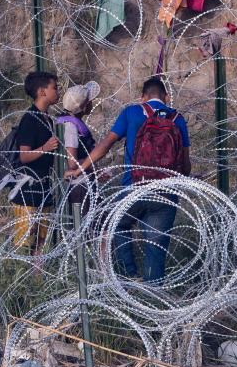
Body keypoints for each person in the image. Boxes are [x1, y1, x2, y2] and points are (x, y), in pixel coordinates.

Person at [68, 77, 191, 282]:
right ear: (166, 98)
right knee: (156, 249)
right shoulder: (178, 119)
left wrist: (81, 167)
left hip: (133, 188)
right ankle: (153, 297)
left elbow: (106, 145)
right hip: (165, 192)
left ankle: (130, 275)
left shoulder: (132, 113)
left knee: (116, 224)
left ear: (143, 98)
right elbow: (185, 166)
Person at [11, 71, 63, 252]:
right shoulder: (30, 119)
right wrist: (45, 148)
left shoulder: (46, 118)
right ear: (42, 92)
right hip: (28, 189)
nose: (58, 92)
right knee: (26, 242)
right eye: (54, 88)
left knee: (42, 240)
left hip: (44, 186)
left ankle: (38, 277)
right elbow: (24, 156)